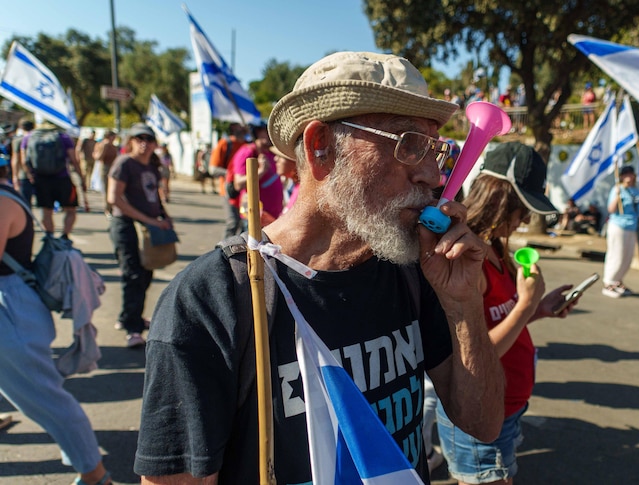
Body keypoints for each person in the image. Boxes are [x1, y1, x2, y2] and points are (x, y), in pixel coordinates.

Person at [134, 51, 505, 484]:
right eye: (409, 144)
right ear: (320, 147)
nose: (432, 175)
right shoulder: (210, 299)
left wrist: (463, 305)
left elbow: (482, 424)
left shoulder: (412, 271)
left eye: (437, 151)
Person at [435, 141, 575, 485]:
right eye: (521, 208)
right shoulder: (466, 259)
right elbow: (475, 356)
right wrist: (526, 306)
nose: (526, 219)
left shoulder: (497, 248)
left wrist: (539, 309)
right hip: (478, 410)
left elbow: (501, 318)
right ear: (498, 200)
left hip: (506, 406)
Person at [0, 157, 112, 485]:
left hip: (11, 309)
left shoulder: (3, 201)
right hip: (13, 304)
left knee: (46, 398)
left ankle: (94, 474)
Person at [106, 123, 173, 349]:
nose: (144, 143)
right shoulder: (125, 163)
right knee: (133, 274)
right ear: (130, 141)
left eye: (149, 139)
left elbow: (154, 197)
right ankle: (132, 329)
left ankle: (129, 316)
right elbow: (114, 198)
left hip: (147, 228)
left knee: (145, 273)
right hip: (127, 226)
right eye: (139, 138)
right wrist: (148, 220)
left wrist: (164, 216)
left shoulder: (151, 165)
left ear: (155, 143)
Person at [20, 120, 87, 238]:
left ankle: (49, 236)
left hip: (41, 179)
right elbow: (74, 160)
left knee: (46, 211)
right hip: (62, 178)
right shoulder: (63, 137)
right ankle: (65, 236)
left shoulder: (29, 137)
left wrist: (30, 175)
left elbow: (24, 160)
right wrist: (81, 178)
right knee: (70, 210)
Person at [229, 121, 283, 227]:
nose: (269, 134)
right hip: (254, 217)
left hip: (272, 218)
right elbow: (238, 184)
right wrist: (261, 171)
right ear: (257, 133)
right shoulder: (247, 152)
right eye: (266, 131)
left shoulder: (270, 152)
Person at [602, 165, 639, 298]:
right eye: (627, 174)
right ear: (622, 176)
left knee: (627, 257)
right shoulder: (617, 189)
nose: (630, 177)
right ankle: (609, 282)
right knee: (617, 255)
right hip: (619, 225)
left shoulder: (636, 190)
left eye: (632, 174)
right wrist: (617, 197)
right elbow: (611, 209)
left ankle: (618, 281)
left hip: (632, 226)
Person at [210, 123, 247, 238]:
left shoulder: (247, 146)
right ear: (233, 128)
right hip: (229, 190)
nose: (243, 127)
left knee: (244, 225)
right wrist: (232, 175)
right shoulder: (225, 143)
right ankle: (225, 253)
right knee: (233, 222)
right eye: (239, 125)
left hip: (244, 191)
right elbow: (213, 169)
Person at [10, 118, 35, 205]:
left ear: (20, 127)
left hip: (23, 175)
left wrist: (15, 176)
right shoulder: (36, 139)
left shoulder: (17, 140)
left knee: (25, 203)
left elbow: (16, 159)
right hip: (39, 173)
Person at [94, 130, 118, 216]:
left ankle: (111, 207)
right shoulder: (104, 144)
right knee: (107, 189)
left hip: (113, 168)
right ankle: (108, 209)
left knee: (113, 189)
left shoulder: (113, 145)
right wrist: (104, 149)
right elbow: (98, 157)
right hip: (105, 168)